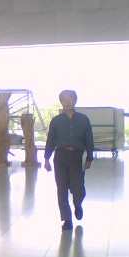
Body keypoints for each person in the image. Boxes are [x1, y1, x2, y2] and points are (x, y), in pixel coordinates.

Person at [44, 90, 94, 231]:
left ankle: (78, 204)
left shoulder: (83, 119)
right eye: (64, 99)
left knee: (78, 189)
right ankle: (67, 219)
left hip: (76, 157)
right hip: (60, 156)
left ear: (75, 100)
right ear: (61, 102)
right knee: (62, 189)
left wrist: (90, 157)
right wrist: (47, 158)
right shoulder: (56, 121)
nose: (67, 102)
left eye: (70, 98)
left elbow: (89, 139)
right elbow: (50, 140)